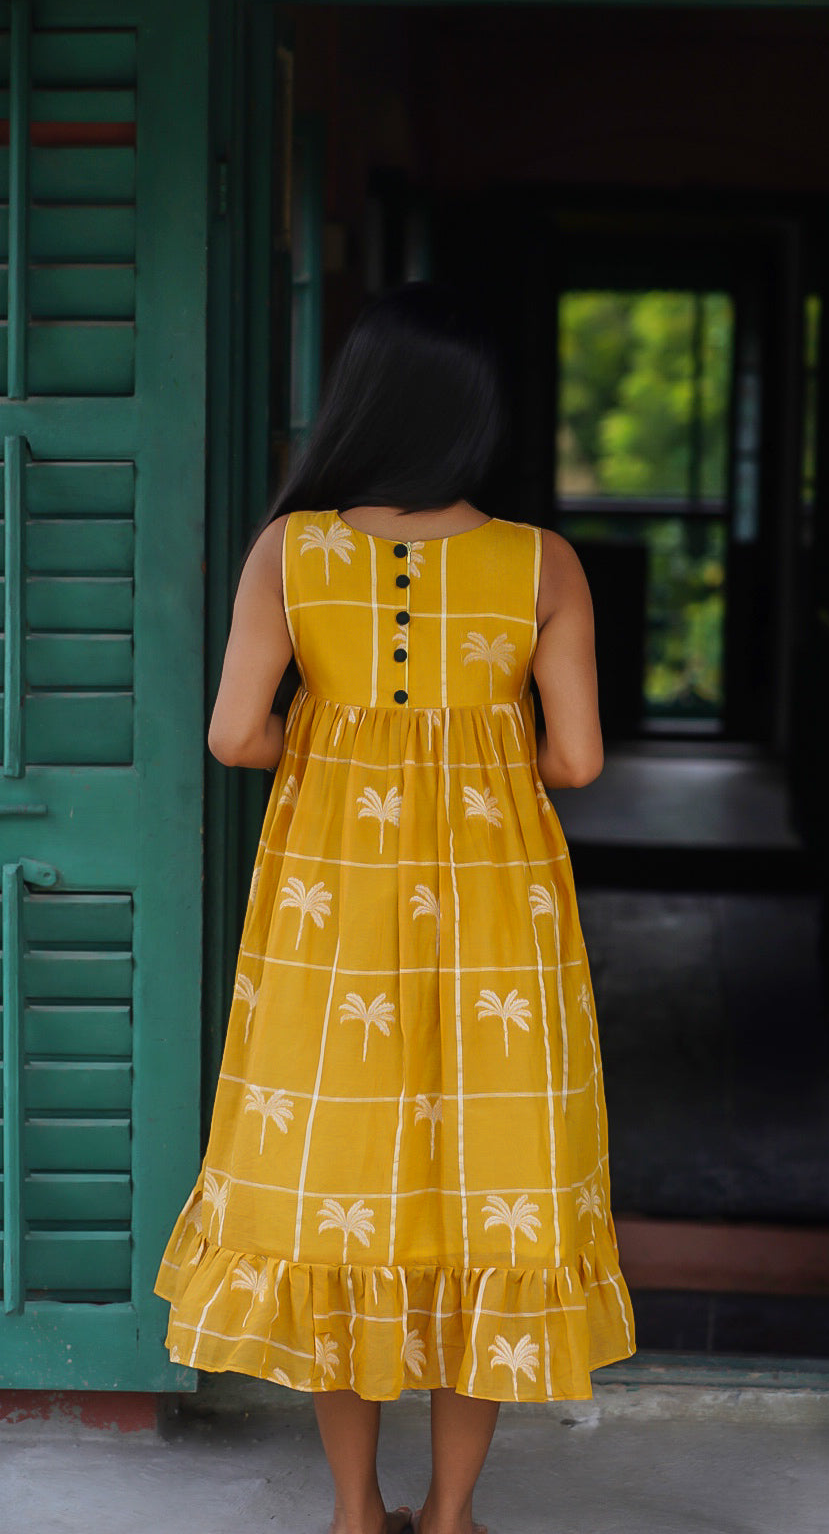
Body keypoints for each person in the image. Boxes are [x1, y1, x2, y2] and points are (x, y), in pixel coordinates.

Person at [154, 281, 636, 1534]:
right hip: (499, 923)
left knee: (339, 1185)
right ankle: (452, 1511)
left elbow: (231, 733)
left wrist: (347, 749)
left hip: (332, 924)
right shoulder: (542, 563)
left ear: (359, 402)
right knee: (491, 1187)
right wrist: (471, 765)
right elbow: (577, 760)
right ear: (480, 415)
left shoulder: (289, 550)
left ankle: (355, 1510)